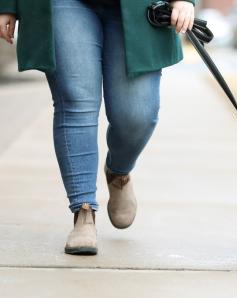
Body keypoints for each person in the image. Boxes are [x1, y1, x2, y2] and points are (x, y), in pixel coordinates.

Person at [0, 0, 195, 255]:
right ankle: (83, 212)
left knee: (137, 114)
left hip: (138, 6)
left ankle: (118, 173)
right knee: (76, 102)